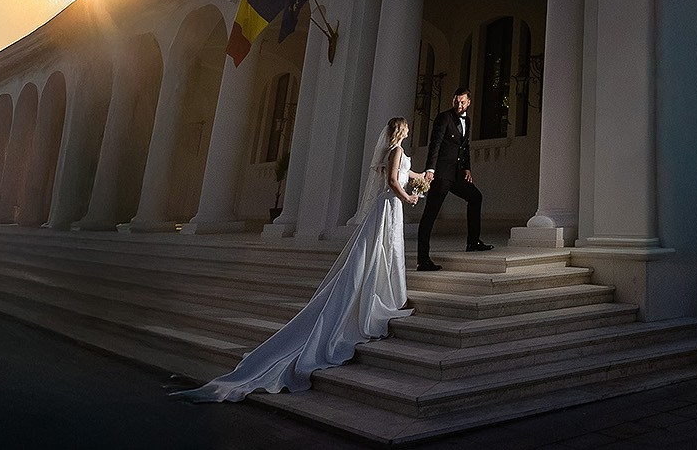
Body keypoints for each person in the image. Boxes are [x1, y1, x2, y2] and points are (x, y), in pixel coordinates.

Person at [173, 116, 429, 402]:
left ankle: (385, 291)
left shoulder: (395, 152)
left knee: (386, 250)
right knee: (380, 251)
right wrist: (408, 198)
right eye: (406, 127)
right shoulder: (395, 151)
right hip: (390, 205)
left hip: (392, 208)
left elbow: (407, 173)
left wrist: (422, 178)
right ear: (401, 130)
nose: (407, 130)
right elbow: (393, 181)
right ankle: (379, 296)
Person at [417, 89, 492, 271]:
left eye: (462, 102)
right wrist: (430, 169)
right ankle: (423, 260)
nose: (459, 105)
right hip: (442, 174)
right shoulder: (444, 118)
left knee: (476, 197)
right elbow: (435, 143)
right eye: (456, 101)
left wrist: (467, 168)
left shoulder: (468, 120)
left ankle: (473, 242)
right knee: (430, 214)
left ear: (469, 102)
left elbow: (465, 147)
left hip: (457, 174)